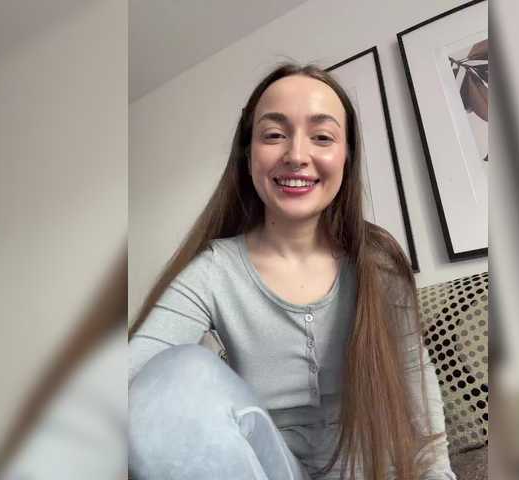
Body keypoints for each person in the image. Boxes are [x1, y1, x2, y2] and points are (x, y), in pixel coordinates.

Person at [128, 63, 457, 480]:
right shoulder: (213, 271)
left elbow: (417, 386)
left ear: (347, 155)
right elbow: (129, 381)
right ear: (248, 154)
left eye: (322, 137)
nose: (297, 156)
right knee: (182, 369)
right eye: (273, 135)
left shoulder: (378, 260)